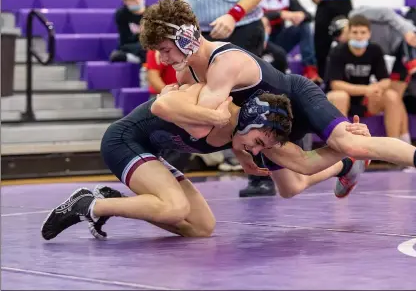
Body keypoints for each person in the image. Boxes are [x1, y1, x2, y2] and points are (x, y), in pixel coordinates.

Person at [139, 0, 416, 183]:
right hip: (267, 118)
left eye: (165, 50)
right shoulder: (190, 67)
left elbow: (203, 125)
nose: (163, 59)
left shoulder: (223, 63)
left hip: (296, 99)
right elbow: (218, 119)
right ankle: (346, 165)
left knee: (352, 143)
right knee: (291, 186)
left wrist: (168, 100)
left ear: (186, 38)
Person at [41, 85, 370, 241]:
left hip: (149, 154)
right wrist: (179, 92)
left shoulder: (247, 131)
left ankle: (112, 202)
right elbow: (164, 103)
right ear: (247, 122)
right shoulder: (211, 104)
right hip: (123, 142)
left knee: (200, 228)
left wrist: (350, 147)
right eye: (256, 142)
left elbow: (303, 164)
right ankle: (88, 204)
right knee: (173, 209)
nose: (255, 149)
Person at [179, 0, 273, 196]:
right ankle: (176, 166)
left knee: (248, 103)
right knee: (194, 95)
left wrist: (234, 14)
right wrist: (178, 24)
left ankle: (263, 174)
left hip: (240, 28)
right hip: (201, 36)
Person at [326, 15, 410, 141]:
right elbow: (335, 84)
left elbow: (386, 80)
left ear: (369, 34)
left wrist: (377, 88)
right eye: (355, 32)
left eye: (363, 32)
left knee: (392, 96)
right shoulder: (337, 51)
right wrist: (366, 89)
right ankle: (343, 149)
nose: (359, 36)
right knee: (340, 96)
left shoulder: (375, 50)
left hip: (366, 100)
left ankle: (395, 146)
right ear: (348, 33)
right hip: (341, 99)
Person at [260, 0, 320, 83]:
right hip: (258, 41)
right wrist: (281, 14)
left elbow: (308, 15)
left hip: (279, 41)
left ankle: (310, 68)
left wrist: (300, 15)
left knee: (305, 25)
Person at [109, 0, 146, 64]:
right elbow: (125, 40)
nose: (137, 0)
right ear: (125, 1)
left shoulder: (151, 12)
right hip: (129, 45)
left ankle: (134, 59)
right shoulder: (121, 14)